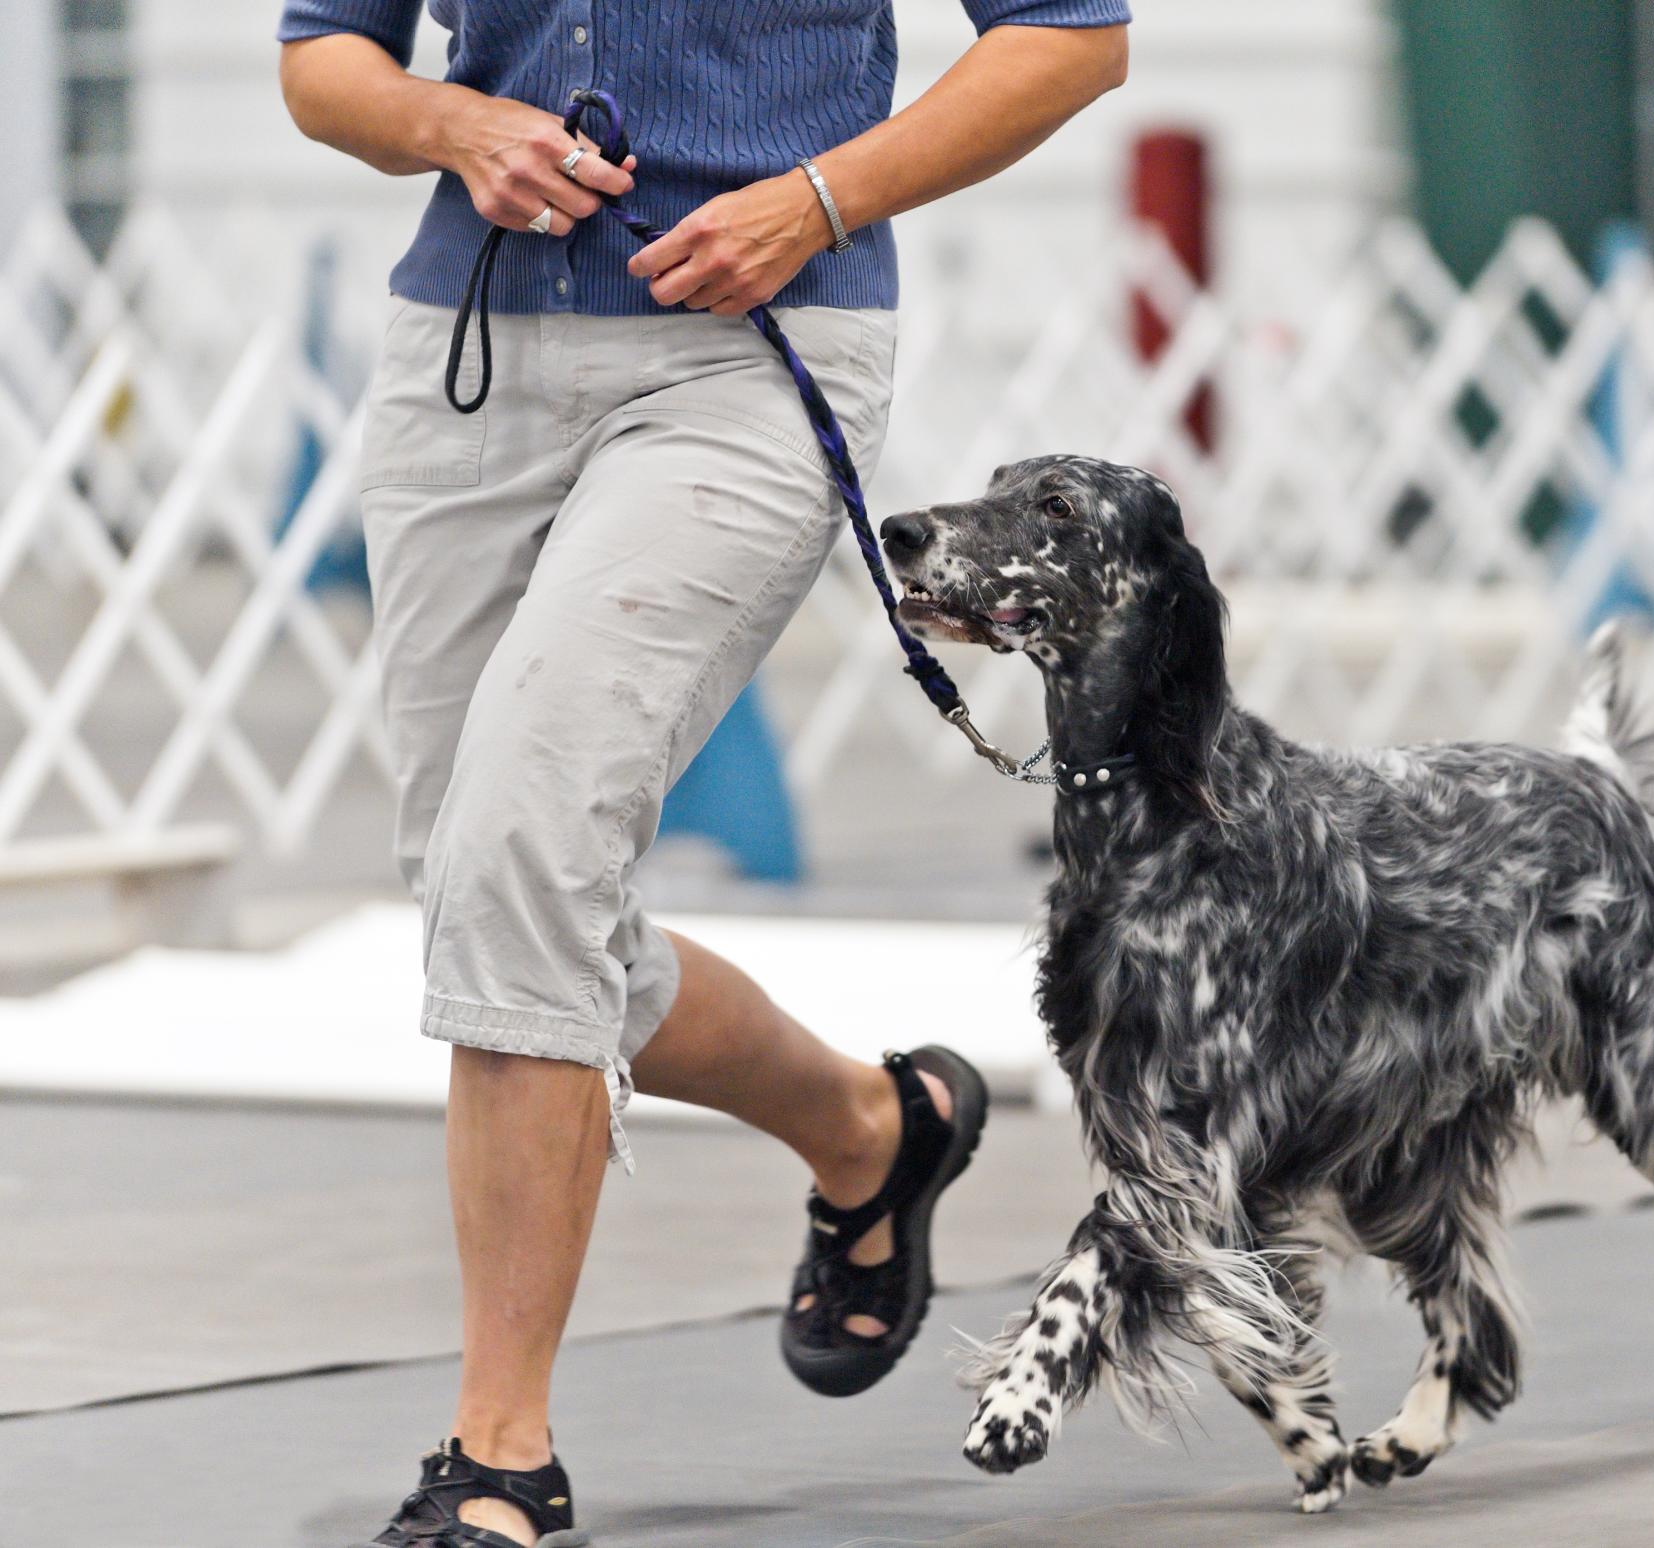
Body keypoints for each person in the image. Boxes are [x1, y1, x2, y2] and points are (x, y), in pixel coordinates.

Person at [276, 4, 1129, 1543]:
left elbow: (1070, 39)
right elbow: (322, 58)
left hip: (753, 357)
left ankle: (498, 1458)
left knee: (525, 856)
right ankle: (874, 1129)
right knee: (486, 900)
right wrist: (452, 125)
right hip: (460, 369)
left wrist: (819, 198)